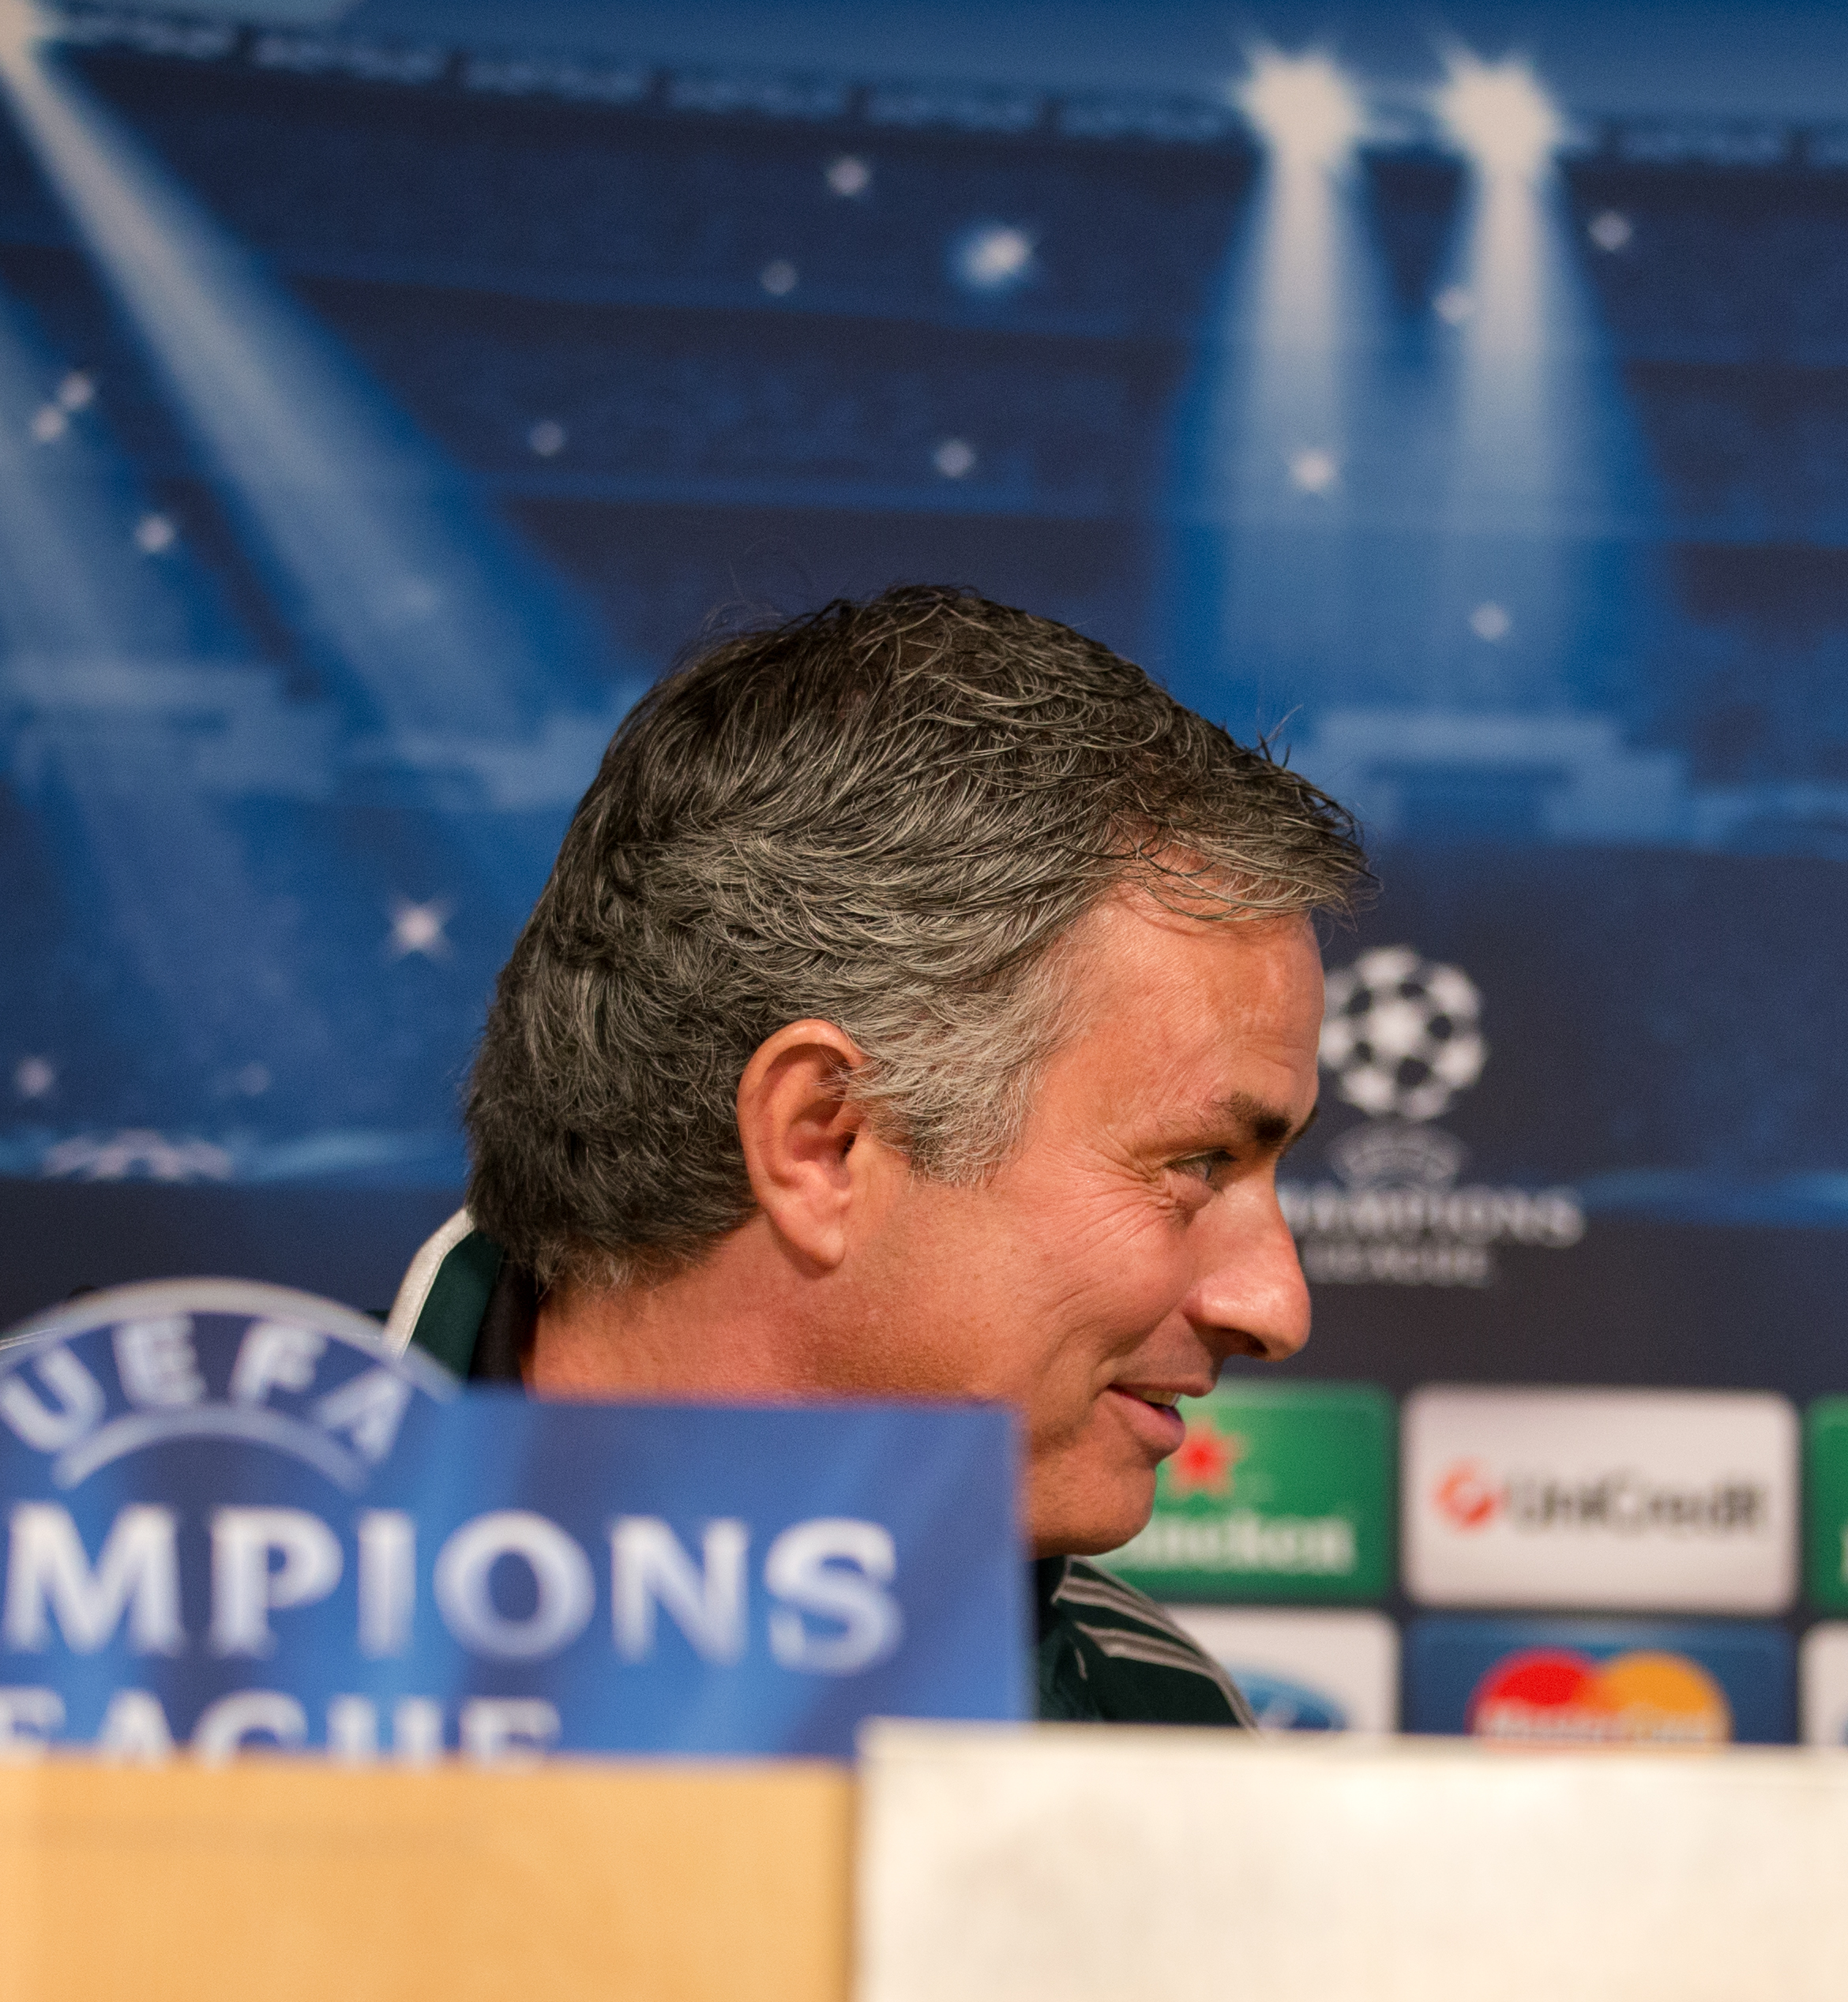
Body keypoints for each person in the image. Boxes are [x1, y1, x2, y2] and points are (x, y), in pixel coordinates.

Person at [387, 586, 1366, 1726]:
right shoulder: (161, 1622)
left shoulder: (1158, 1727)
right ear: (822, 1140)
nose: (1276, 1305)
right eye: (1197, 1161)